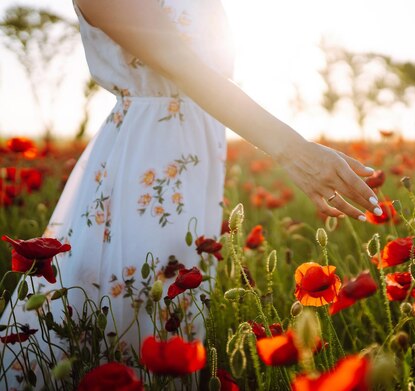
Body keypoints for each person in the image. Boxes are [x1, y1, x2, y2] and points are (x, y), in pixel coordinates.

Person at [0, 0, 382, 388]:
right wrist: (294, 150)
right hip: (146, 167)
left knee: (173, 316)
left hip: (194, 167)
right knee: (132, 315)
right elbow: (183, 65)